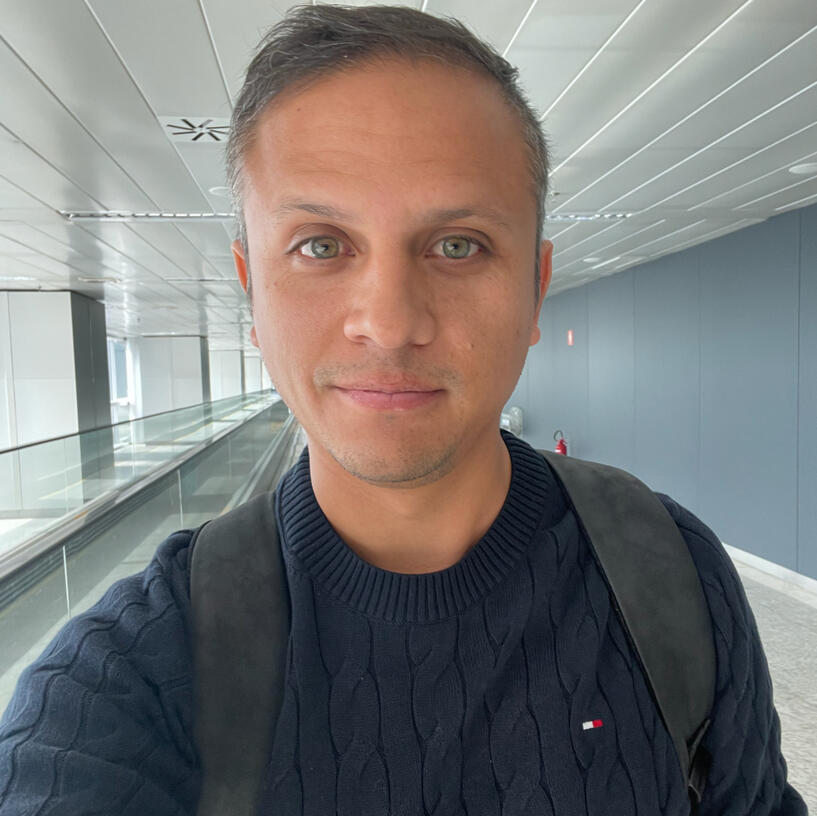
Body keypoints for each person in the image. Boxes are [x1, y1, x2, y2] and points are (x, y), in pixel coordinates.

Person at [0, 5, 807, 815]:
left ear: (535, 287)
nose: (388, 324)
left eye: (457, 245)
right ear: (251, 292)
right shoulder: (121, 681)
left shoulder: (669, 572)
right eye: (320, 245)